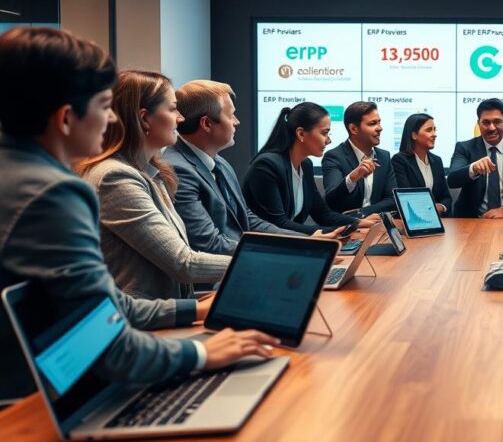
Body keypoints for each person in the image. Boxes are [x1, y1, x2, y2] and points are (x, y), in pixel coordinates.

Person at [0, 27, 276, 388]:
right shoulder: (54, 193)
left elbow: (110, 307)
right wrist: (203, 354)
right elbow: (111, 350)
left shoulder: (21, 175)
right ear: (66, 118)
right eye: (103, 107)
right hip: (34, 399)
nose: (113, 118)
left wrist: (194, 309)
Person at [78, 71, 232, 301]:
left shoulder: (151, 173)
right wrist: (261, 263)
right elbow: (183, 263)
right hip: (141, 325)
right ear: (144, 118)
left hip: (165, 311)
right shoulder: (115, 178)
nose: (180, 118)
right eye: (172, 109)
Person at [165, 81, 336, 256]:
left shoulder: (221, 164)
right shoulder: (179, 169)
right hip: (216, 277)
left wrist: (306, 241)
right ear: (207, 124)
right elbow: (209, 243)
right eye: (231, 115)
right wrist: (286, 249)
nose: (236, 122)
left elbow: (248, 220)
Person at [243, 102, 365, 234]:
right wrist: (331, 232)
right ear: (301, 134)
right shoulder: (266, 166)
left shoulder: (305, 165)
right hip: (267, 247)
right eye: (324, 133)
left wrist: (357, 223)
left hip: (292, 245)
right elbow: (278, 224)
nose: (328, 140)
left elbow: (322, 214)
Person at [448, 98, 503, 218]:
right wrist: (473, 168)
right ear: (478, 123)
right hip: (471, 220)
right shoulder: (464, 147)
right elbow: (452, 180)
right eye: (486, 122)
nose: (492, 128)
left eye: (497, 122)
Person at [322, 101, 395, 220]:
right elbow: (331, 200)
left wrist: (361, 214)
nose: (380, 128)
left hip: (376, 225)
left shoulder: (384, 156)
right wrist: (353, 177)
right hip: (346, 228)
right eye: (372, 123)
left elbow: (391, 199)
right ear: (354, 129)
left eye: (379, 122)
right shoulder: (334, 157)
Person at [391, 113, 452, 215]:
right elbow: (405, 197)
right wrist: (431, 208)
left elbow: (446, 197)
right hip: (413, 218)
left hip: (439, 219)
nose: (434, 134)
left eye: (434, 129)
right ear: (414, 135)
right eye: (429, 130)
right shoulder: (399, 160)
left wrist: (441, 207)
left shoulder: (437, 161)